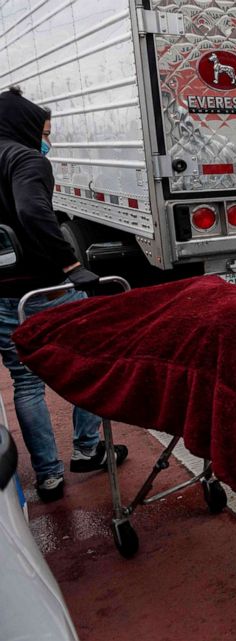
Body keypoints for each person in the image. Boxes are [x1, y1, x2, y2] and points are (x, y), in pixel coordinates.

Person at [0, 87, 127, 502]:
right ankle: (89, 450)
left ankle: (49, 477)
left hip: (4, 296)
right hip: (46, 288)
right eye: (44, 130)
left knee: (26, 382)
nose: (47, 139)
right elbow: (33, 211)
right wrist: (72, 265)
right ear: (24, 126)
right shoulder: (26, 159)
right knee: (86, 365)